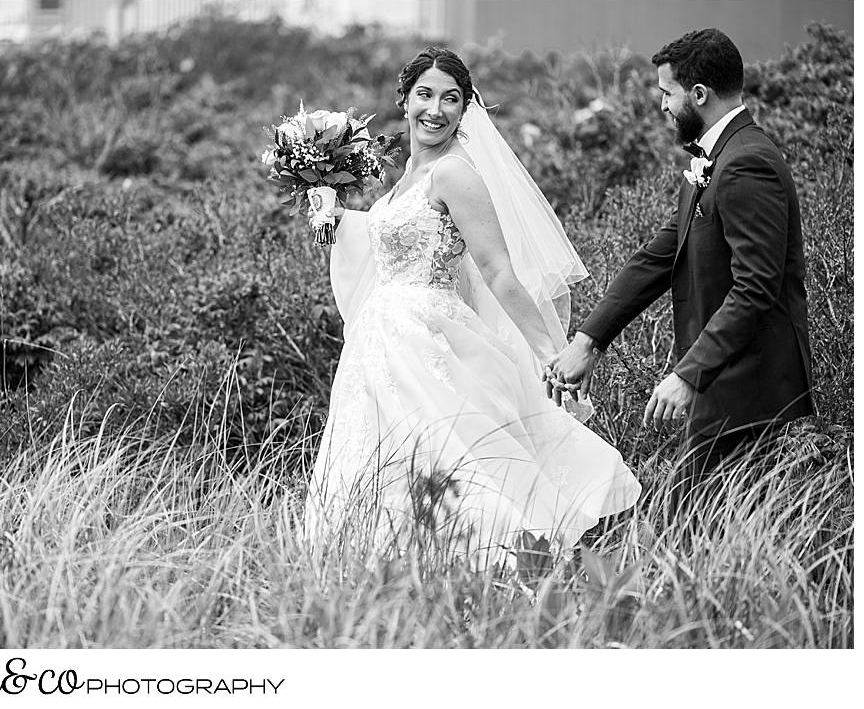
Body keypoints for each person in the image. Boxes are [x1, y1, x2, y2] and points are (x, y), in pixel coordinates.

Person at [305, 47, 640, 567]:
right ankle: (391, 582)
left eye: (451, 99)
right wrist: (334, 210)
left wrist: (551, 353)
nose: (435, 109)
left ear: (466, 110)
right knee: (381, 463)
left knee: (450, 459)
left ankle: (489, 571)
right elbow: (385, 242)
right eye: (425, 95)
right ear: (405, 100)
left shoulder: (455, 174)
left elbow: (498, 269)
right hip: (379, 344)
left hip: (428, 339)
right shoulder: (410, 175)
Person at [545, 29, 813, 520]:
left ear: (698, 95)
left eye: (667, 93)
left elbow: (756, 288)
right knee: (708, 529)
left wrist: (689, 375)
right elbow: (659, 257)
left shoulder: (747, 162)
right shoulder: (716, 158)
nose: (662, 105)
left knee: (690, 526)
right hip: (726, 381)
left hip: (746, 384)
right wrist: (589, 340)